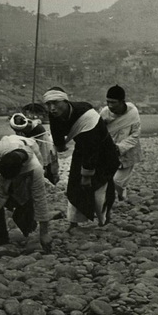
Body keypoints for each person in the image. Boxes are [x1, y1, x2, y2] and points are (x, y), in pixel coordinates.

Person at [43, 87, 120, 229]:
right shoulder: (54, 114)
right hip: (82, 147)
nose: (52, 108)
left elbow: (92, 147)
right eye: (48, 104)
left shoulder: (86, 115)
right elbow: (56, 132)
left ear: (65, 101)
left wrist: (86, 175)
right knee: (74, 184)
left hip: (103, 151)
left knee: (99, 185)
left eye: (55, 103)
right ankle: (74, 221)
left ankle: (104, 219)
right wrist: (59, 146)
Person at [0, 136, 54, 252]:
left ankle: (27, 229)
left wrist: (44, 233)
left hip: (22, 178)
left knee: (25, 199)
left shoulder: (35, 168)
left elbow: (40, 198)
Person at [99, 85, 142, 206]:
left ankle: (121, 197)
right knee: (106, 179)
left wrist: (119, 148)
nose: (110, 105)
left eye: (113, 102)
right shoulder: (105, 112)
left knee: (117, 180)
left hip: (128, 152)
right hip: (108, 151)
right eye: (108, 102)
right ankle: (119, 199)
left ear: (122, 102)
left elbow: (135, 135)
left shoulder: (133, 113)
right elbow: (99, 131)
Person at [9, 112, 60, 184]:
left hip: (44, 146)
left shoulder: (37, 129)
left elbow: (43, 152)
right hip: (37, 145)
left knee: (46, 164)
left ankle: (49, 180)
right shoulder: (24, 126)